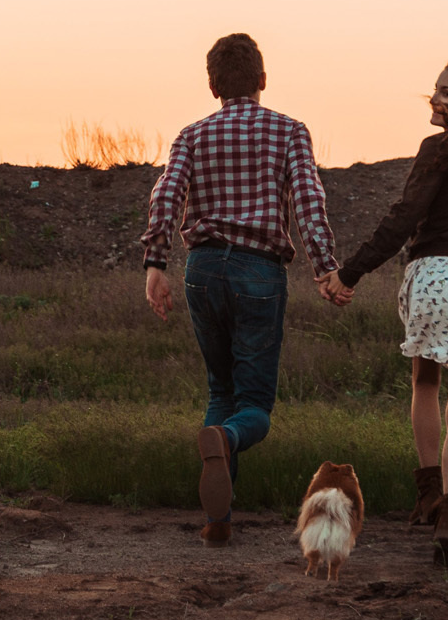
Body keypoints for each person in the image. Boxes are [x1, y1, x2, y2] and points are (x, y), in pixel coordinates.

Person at [140, 33, 347, 546]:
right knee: (253, 404)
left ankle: (219, 519)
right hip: (259, 272)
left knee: (220, 390)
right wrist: (326, 267)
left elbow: (166, 195)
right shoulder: (289, 131)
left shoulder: (192, 135)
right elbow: (308, 202)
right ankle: (228, 438)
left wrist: (155, 264)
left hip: (203, 268)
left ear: (212, 86)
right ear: (262, 80)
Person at [318, 60, 448, 567]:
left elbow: (404, 216)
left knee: (425, 382)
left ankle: (427, 491)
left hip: (434, 277)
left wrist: (350, 272)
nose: (434, 99)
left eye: (447, 93)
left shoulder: (438, 149)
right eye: (435, 91)